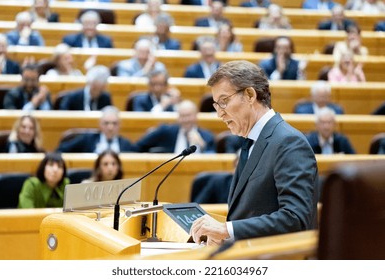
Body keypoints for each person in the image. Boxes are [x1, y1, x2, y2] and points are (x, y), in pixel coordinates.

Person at [190, 60, 318, 245]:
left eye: (224, 101)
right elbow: (250, 213)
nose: (220, 114)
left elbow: (295, 219)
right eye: (216, 105)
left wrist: (227, 230)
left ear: (250, 94)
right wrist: (225, 238)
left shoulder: (289, 142)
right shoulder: (251, 141)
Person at [135, 100, 216, 153]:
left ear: (196, 116)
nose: (186, 120)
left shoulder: (207, 137)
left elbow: (213, 161)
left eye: (188, 116)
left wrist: (202, 147)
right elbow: (139, 146)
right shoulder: (166, 131)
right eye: (182, 116)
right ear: (178, 117)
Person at [57, 106, 136, 153]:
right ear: (100, 125)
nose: (110, 128)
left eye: (114, 123)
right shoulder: (87, 140)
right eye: (106, 123)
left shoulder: (126, 145)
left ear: (119, 125)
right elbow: (62, 150)